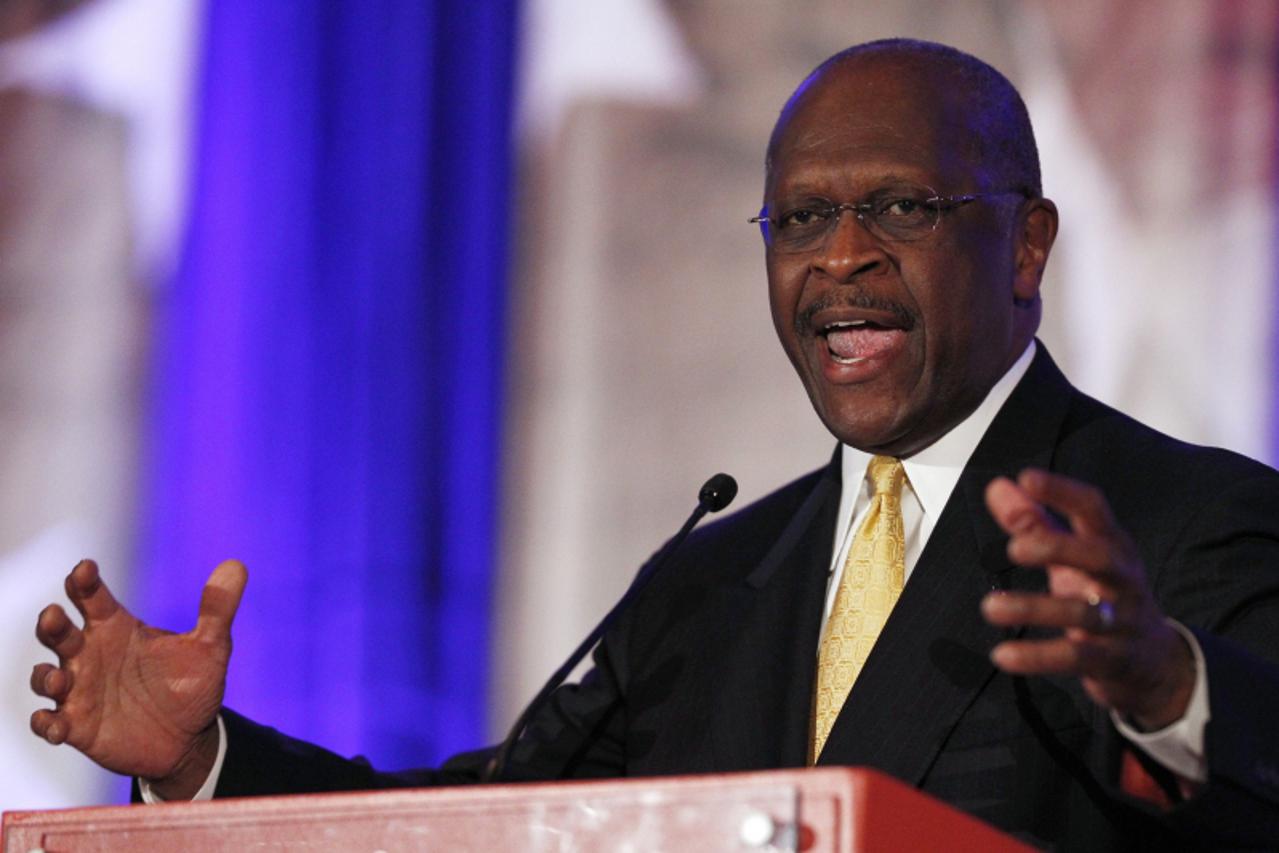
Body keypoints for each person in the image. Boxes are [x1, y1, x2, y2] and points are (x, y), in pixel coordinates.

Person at [27, 38, 1279, 850]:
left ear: (1025, 245)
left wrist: (1169, 689)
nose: (840, 256)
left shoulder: (1185, 521)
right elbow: (486, 825)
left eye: (899, 206)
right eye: (797, 219)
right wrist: (205, 760)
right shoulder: (707, 581)